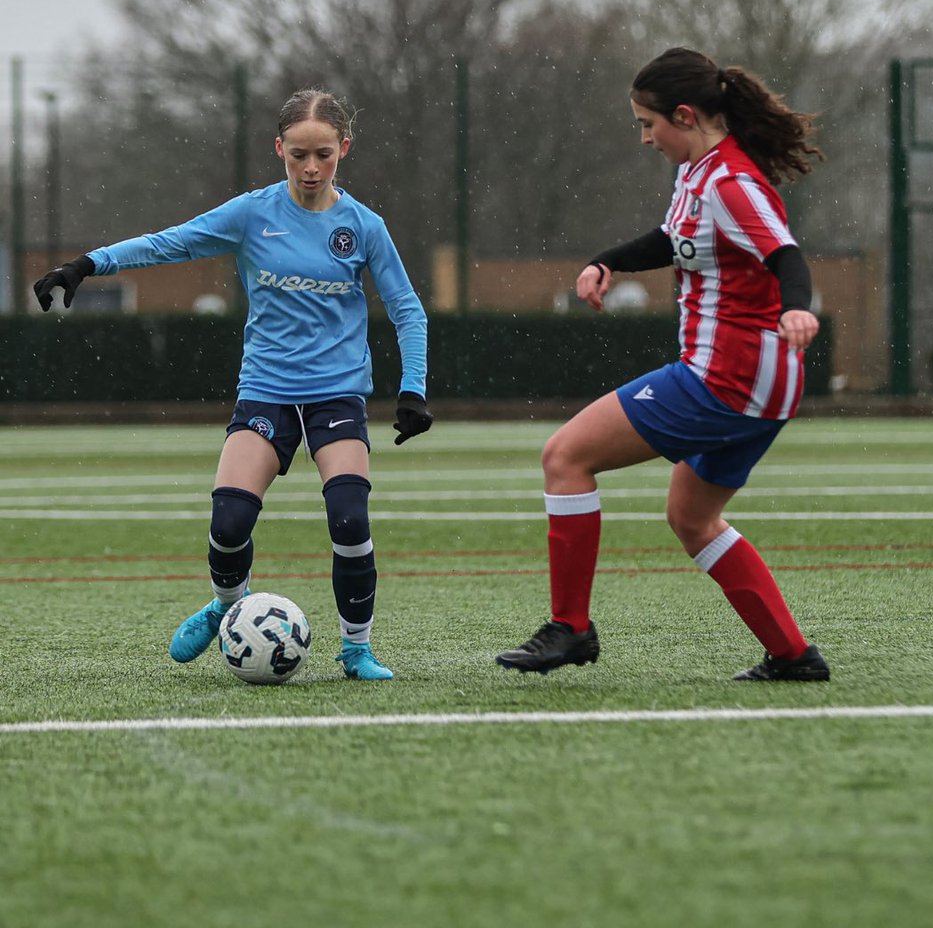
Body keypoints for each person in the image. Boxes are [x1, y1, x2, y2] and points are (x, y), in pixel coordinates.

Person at [34, 88, 433, 681]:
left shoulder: (364, 227)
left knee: (349, 518)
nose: (310, 168)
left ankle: (356, 649)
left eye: (323, 153)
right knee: (228, 524)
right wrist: (86, 265)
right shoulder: (252, 214)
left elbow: (407, 309)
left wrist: (413, 389)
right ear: (279, 148)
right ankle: (227, 607)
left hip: (336, 395)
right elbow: (169, 242)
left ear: (344, 149)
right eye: (298, 154)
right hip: (267, 390)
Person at [496, 47, 830, 682]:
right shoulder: (698, 172)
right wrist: (608, 260)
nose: (646, 138)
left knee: (565, 458)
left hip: (724, 379)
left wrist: (796, 309)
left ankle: (570, 628)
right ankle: (793, 656)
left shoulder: (731, 181)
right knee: (692, 516)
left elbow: (786, 255)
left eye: (648, 124)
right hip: (763, 384)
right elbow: (671, 239)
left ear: (684, 114)